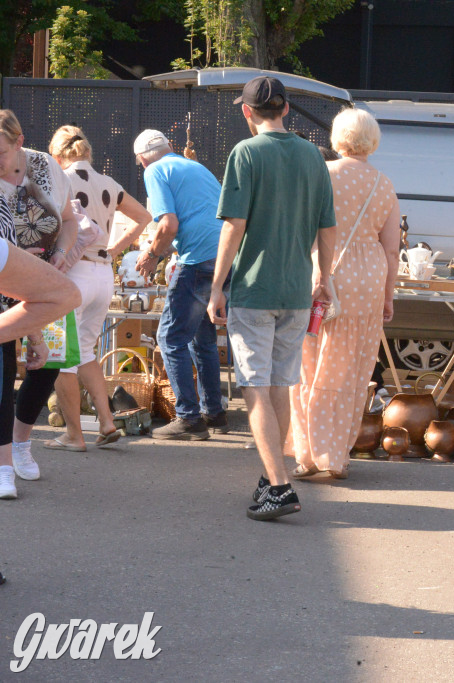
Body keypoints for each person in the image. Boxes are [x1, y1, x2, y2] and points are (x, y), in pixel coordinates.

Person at [208, 76, 336, 521]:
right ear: (285, 109)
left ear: (247, 112)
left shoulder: (246, 153)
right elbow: (327, 227)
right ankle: (272, 475)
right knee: (279, 385)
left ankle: (279, 487)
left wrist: (216, 285)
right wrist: (325, 276)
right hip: (297, 289)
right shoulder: (311, 154)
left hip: (255, 288)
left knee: (255, 388)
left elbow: (232, 226)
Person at [287, 108, 400, 481]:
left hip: (324, 274)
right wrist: (388, 296)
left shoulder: (323, 175)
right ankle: (338, 455)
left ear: (337, 137)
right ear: (373, 140)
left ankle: (308, 454)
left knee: (309, 364)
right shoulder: (384, 184)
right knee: (352, 370)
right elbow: (392, 249)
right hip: (367, 280)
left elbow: (301, 230)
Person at [37, 126, 152, 452]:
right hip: (102, 275)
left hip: (71, 274)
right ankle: (104, 422)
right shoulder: (108, 184)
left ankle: (74, 435)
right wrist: (114, 251)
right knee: (85, 351)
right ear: (87, 152)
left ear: (57, 156)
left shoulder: (60, 179)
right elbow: (143, 217)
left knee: (60, 357)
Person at [133, 128, 228, 440]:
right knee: (201, 337)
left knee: (170, 337)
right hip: (225, 255)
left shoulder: (156, 171)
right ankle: (213, 411)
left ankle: (188, 417)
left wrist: (152, 255)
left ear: (141, 161)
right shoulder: (194, 166)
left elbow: (169, 223)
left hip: (199, 258)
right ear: (170, 146)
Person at [0, 109, 78, 490]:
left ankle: (22, 443)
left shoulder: (45, 166)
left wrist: (62, 254)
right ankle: (3, 459)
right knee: (4, 372)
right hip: (5, 285)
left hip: (47, 285)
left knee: (47, 365)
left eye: (0, 152)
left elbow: (70, 219)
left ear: (18, 143)